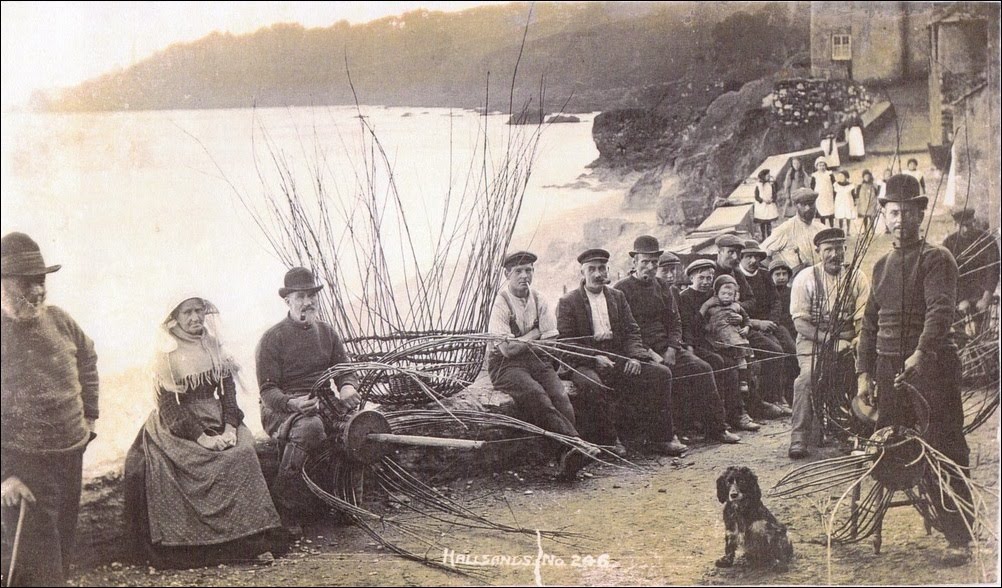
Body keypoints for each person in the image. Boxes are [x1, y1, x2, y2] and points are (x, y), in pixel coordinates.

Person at [856, 174, 973, 566]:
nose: (900, 219)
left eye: (908, 212)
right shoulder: (881, 265)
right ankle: (927, 509)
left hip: (933, 367)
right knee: (894, 444)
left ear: (920, 213)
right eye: (893, 212)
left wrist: (921, 352)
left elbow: (940, 311)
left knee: (944, 446)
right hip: (891, 369)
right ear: (884, 215)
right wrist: (863, 373)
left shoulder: (937, 258)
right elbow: (869, 324)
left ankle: (959, 535)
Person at [124, 295, 282, 567]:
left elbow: (228, 393)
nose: (196, 318)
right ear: (175, 316)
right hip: (180, 426)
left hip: (219, 418)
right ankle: (193, 548)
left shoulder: (213, 345)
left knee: (242, 454)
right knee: (184, 463)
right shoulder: (165, 353)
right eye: (188, 312)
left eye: (200, 311)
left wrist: (230, 428)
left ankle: (251, 541)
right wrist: (202, 438)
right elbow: (168, 408)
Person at [1, 232, 99, 586]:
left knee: (61, 552)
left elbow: (87, 359)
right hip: (23, 466)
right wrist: (4, 478)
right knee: (36, 566)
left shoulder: (60, 320)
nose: (38, 292)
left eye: (40, 282)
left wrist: (89, 415)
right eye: (27, 283)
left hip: (70, 455)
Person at [257, 267, 361, 532]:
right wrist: (293, 404)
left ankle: (345, 500)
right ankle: (286, 504)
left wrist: (347, 387)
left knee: (358, 426)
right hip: (281, 407)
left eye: (312, 295)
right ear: (288, 301)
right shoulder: (273, 338)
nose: (308, 301)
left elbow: (344, 371)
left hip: (320, 401)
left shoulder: (327, 332)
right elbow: (268, 392)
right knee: (311, 427)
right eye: (301, 296)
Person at [556, 248, 687, 456]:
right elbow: (566, 343)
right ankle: (609, 441)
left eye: (602, 268)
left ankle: (661, 438)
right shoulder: (568, 302)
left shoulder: (617, 296)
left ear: (607, 270)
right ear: (583, 273)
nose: (598, 274)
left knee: (660, 374)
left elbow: (632, 331)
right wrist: (594, 358)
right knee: (592, 384)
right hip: (583, 360)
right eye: (592, 269)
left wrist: (635, 356)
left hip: (616, 355)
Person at [613, 236, 740, 446]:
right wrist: (648, 353)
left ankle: (717, 429)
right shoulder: (621, 290)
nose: (650, 267)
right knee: (663, 375)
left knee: (703, 367)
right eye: (645, 262)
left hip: (667, 347)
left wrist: (672, 348)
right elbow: (624, 330)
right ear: (634, 262)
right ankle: (665, 437)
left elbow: (674, 321)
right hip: (639, 350)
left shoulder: (663, 286)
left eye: (654, 262)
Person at [487, 251, 598, 478]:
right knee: (536, 395)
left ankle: (567, 460)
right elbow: (507, 351)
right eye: (518, 271)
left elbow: (551, 344)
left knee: (561, 397)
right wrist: (535, 333)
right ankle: (576, 444)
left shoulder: (539, 299)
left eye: (528, 270)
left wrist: (526, 341)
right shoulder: (500, 304)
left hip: (537, 360)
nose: (524, 276)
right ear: (507, 274)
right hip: (505, 367)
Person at [788, 228, 869, 459]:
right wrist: (832, 342)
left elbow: (863, 318)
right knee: (808, 378)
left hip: (849, 339)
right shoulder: (805, 278)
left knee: (861, 375)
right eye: (828, 250)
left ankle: (855, 433)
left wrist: (858, 338)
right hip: (813, 340)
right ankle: (799, 437)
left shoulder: (857, 277)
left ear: (845, 249)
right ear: (818, 252)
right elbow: (800, 325)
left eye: (838, 249)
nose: (834, 255)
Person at [678, 260, 760, 433]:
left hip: (717, 341)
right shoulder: (685, 297)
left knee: (737, 362)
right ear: (692, 277)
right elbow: (688, 326)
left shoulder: (714, 293)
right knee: (721, 364)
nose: (706, 282)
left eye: (709, 278)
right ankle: (720, 418)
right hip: (697, 343)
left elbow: (733, 308)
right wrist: (691, 346)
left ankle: (737, 414)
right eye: (701, 278)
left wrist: (738, 318)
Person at [712, 235, 788, 421]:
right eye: (730, 252)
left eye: (737, 253)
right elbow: (705, 305)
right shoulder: (709, 273)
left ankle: (770, 399)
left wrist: (738, 309)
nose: (735, 257)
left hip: (742, 326)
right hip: (717, 332)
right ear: (719, 252)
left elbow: (751, 300)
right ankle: (747, 408)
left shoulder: (736, 273)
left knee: (774, 350)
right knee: (735, 360)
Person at [738, 241, 795, 411]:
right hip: (749, 326)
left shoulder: (763, 275)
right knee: (775, 351)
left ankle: (787, 394)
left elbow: (776, 300)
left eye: (756, 256)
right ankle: (772, 398)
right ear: (741, 258)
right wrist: (757, 323)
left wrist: (773, 322)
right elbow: (735, 308)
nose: (753, 260)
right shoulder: (737, 277)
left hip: (770, 323)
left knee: (792, 350)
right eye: (748, 257)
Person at [699, 275, 753, 396]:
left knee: (742, 358)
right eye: (723, 293)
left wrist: (746, 328)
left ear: (735, 295)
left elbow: (747, 319)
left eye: (730, 294)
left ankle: (743, 381)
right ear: (717, 293)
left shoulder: (736, 307)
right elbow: (701, 321)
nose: (727, 296)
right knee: (727, 359)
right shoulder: (711, 307)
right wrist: (707, 327)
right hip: (718, 339)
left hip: (735, 337)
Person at [943, 208, 1000, 319]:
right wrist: (960, 299)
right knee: (961, 333)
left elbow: (993, 270)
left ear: (974, 221)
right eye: (961, 226)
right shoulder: (948, 244)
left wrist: (986, 298)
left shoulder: (987, 241)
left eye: (968, 225)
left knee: (982, 332)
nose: (965, 229)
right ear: (955, 224)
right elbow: (947, 275)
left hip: (981, 295)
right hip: (958, 296)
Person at [761, 187, 828, 276]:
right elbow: (762, 255)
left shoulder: (822, 229)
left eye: (811, 204)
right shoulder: (786, 229)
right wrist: (781, 274)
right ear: (796, 205)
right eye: (803, 205)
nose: (808, 208)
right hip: (795, 283)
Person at [768, 259, 796, 341]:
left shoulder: (793, 291)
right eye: (777, 274)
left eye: (784, 274)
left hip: (792, 325)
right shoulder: (767, 293)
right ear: (770, 277)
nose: (782, 277)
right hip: (776, 326)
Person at [753, 169, 780, 240]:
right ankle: (763, 236)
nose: (768, 177)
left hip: (769, 205)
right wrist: (763, 200)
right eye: (767, 176)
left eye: (769, 175)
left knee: (768, 222)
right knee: (762, 222)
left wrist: (772, 199)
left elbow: (774, 193)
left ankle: (769, 236)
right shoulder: (759, 185)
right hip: (762, 206)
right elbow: (756, 196)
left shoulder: (771, 184)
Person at [811, 158, 836, 228]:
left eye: (823, 165)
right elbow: (812, 187)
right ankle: (824, 228)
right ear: (816, 167)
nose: (822, 167)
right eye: (820, 165)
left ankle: (832, 227)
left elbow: (834, 184)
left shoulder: (829, 174)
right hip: (820, 196)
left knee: (830, 211)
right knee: (822, 211)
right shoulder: (814, 175)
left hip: (828, 195)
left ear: (826, 166)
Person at [833, 170, 857, 236]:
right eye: (839, 176)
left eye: (842, 176)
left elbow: (853, 194)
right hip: (839, 202)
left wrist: (855, 201)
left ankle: (848, 230)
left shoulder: (850, 185)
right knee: (841, 216)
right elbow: (834, 194)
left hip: (848, 201)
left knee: (848, 216)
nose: (840, 177)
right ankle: (841, 230)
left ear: (846, 177)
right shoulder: (836, 185)